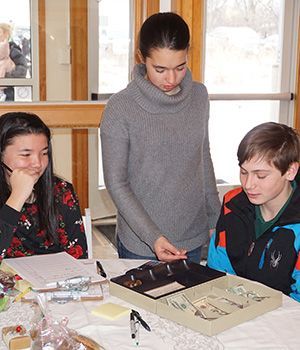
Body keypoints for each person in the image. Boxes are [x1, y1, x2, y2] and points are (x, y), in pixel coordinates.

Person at [100, 12, 220, 263]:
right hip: (141, 243)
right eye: (160, 69)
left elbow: (203, 157)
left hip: (193, 237)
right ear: (141, 58)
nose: (171, 78)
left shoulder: (199, 96)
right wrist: (153, 236)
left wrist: (214, 217)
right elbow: (117, 183)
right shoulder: (120, 107)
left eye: (180, 66)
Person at [207, 122, 300, 302]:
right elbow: (217, 273)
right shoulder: (232, 205)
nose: (248, 184)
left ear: (290, 171)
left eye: (261, 176)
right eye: (243, 172)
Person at [0, 112, 88, 260]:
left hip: (55, 280)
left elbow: (78, 255)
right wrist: (17, 197)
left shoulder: (62, 191)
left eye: (44, 153)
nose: (38, 163)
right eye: (26, 155)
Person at [0, 23, 28, 101]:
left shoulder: (13, 51)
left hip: (7, 93)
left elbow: (22, 70)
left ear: (6, 34)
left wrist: (6, 76)